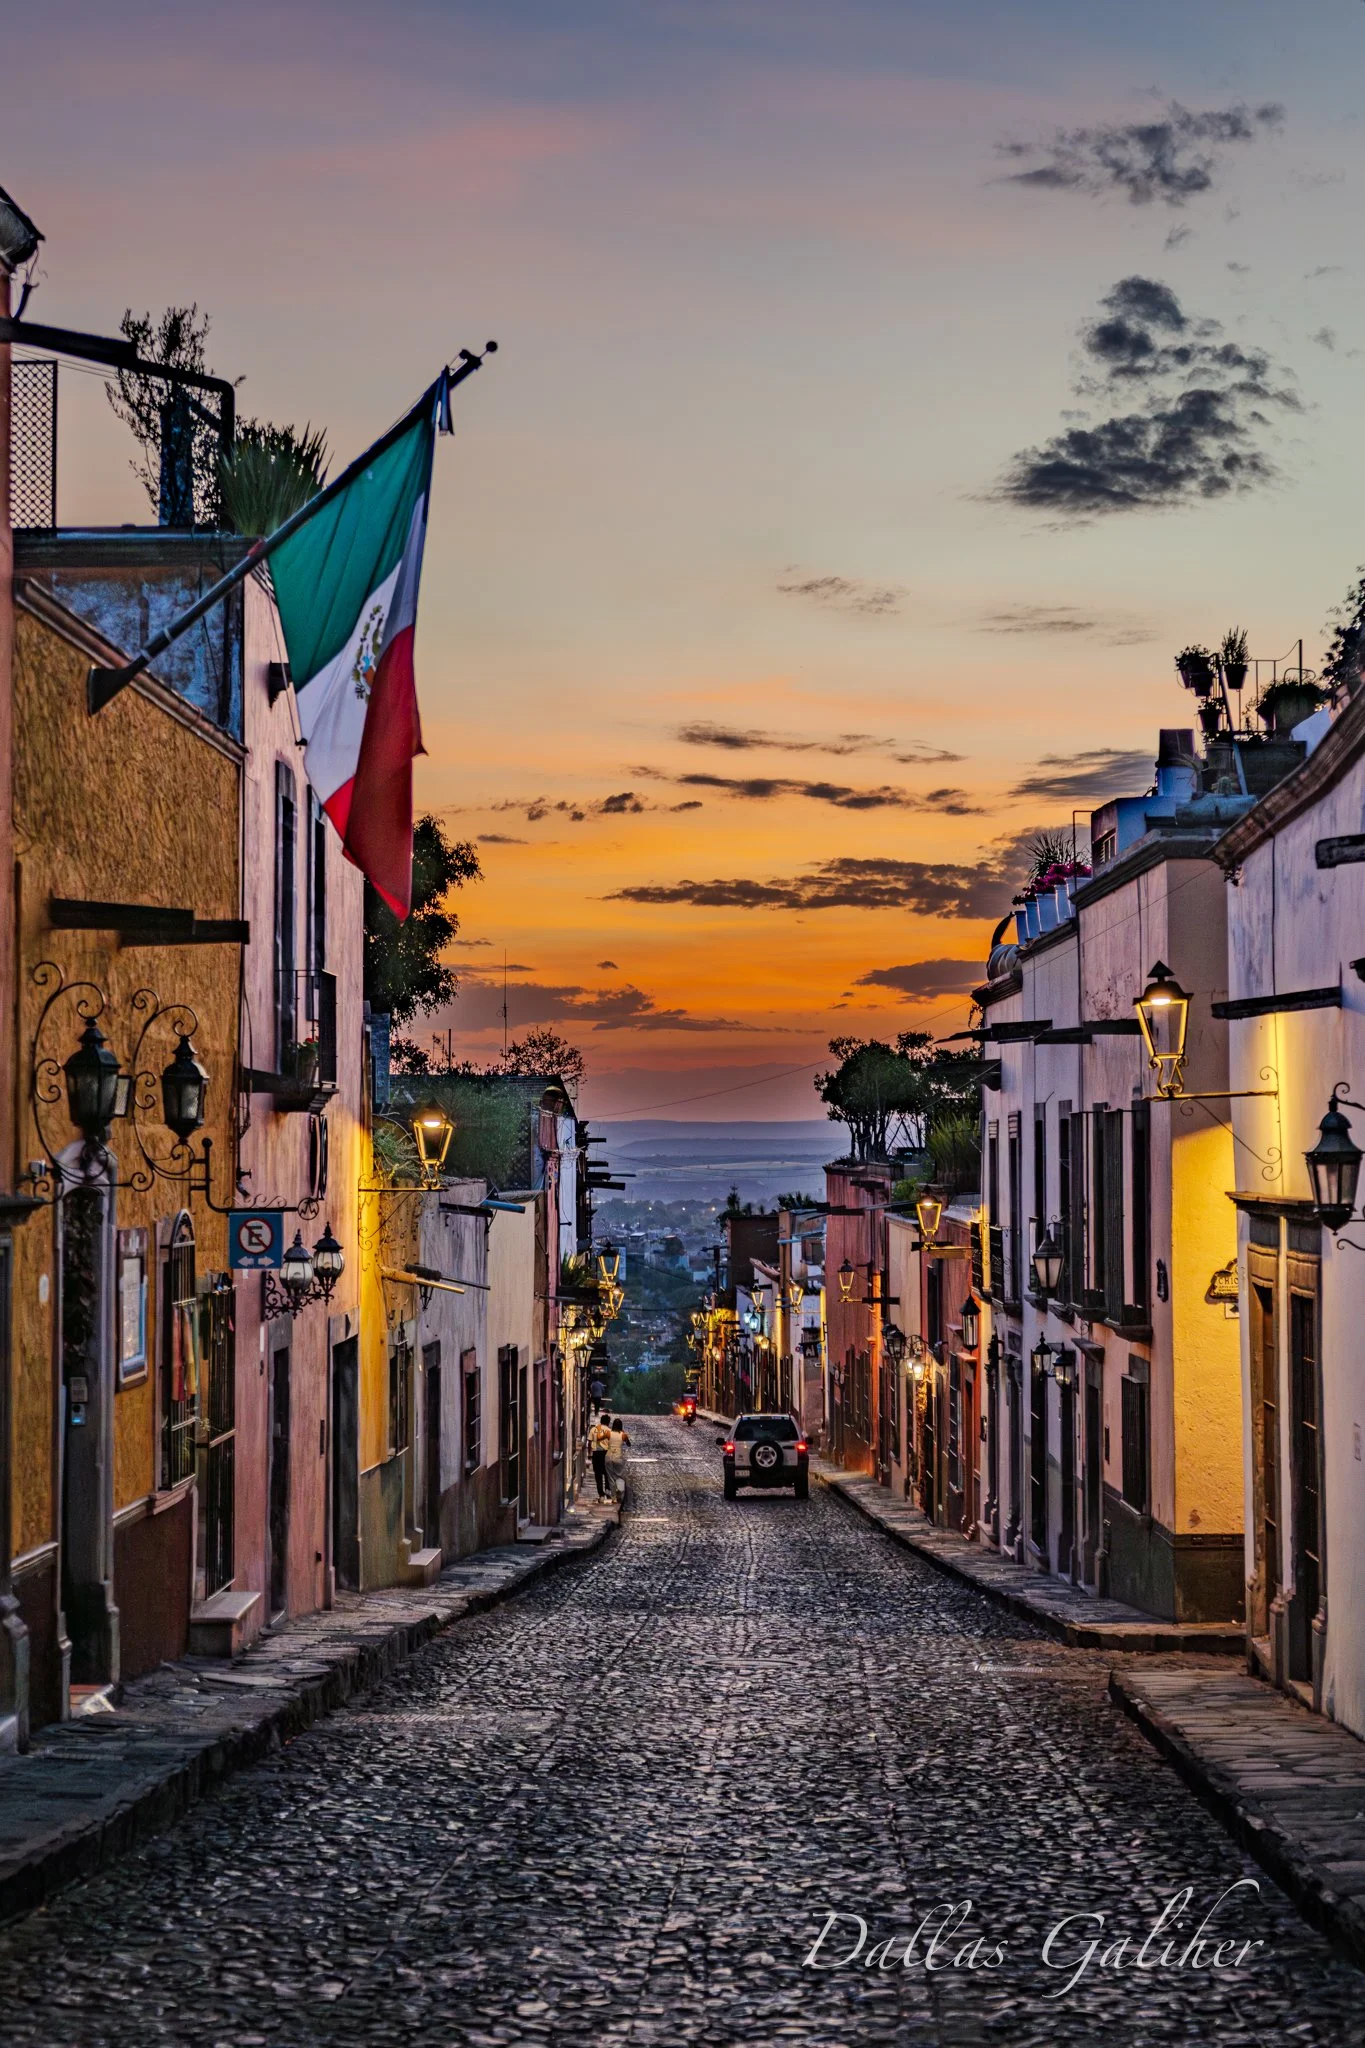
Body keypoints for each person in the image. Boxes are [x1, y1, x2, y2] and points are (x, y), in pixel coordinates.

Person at [607, 1415, 631, 1505]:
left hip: (608, 1456)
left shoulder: (608, 1433)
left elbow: (602, 1441)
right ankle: (619, 1494)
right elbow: (628, 1444)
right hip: (618, 1457)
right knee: (619, 1476)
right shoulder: (623, 1435)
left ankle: (613, 1498)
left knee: (610, 1477)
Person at [589, 1414, 612, 1499]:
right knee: (607, 1473)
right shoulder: (609, 1431)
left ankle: (601, 1494)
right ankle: (607, 1490)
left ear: (601, 1421)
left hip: (596, 1453)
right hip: (606, 1454)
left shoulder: (594, 1429)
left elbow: (589, 1442)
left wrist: (589, 1453)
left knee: (598, 1474)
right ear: (608, 1422)